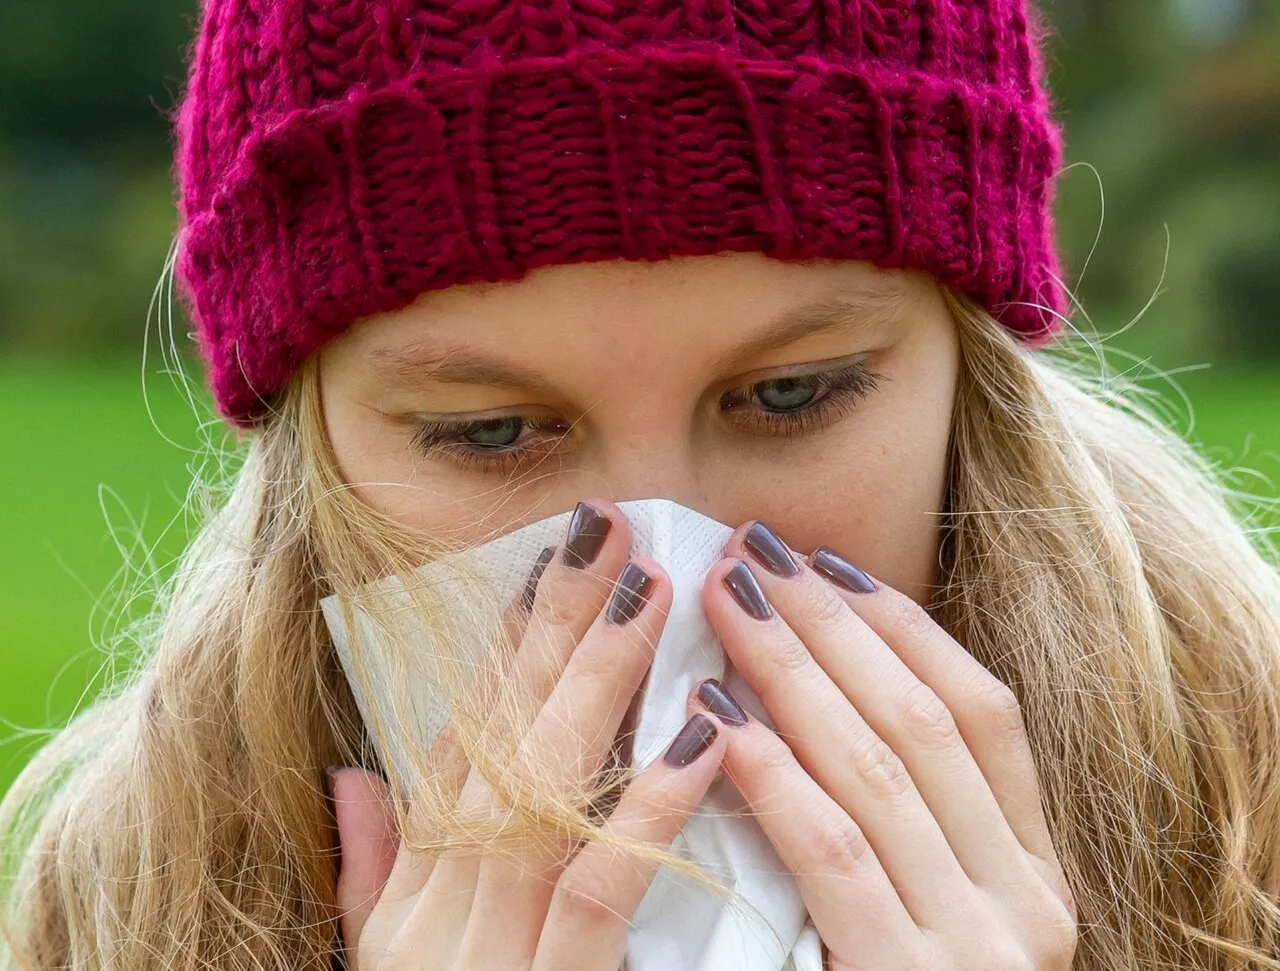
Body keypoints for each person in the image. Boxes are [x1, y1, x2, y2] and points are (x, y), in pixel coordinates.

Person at [3, 0, 1280, 967]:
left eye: (792, 394)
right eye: (491, 429)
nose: (663, 574)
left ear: (971, 376)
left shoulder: (1247, 823)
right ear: (310, 455)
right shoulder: (112, 909)